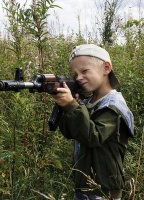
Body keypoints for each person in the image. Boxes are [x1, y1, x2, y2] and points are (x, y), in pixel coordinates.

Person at [53, 44, 134, 200]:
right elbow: (71, 132)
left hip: (104, 190)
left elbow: (93, 136)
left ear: (106, 68)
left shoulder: (114, 106)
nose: (79, 78)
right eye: (75, 74)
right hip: (85, 186)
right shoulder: (88, 102)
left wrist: (72, 105)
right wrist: (66, 106)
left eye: (84, 71)